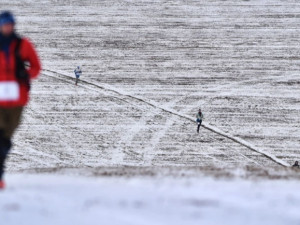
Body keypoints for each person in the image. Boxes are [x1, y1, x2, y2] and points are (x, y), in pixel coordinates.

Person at [0, 11, 41, 189]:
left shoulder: (23, 45)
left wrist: (25, 73)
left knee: (7, 137)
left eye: (10, 24)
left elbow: (36, 67)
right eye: (4, 24)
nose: (8, 27)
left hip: (17, 100)